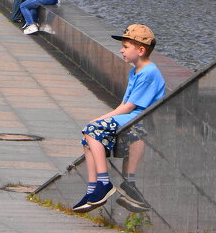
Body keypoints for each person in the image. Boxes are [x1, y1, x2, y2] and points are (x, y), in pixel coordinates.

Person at [71, 24, 166, 213]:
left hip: (140, 120)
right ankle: (93, 189)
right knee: (87, 137)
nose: (121, 50)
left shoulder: (149, 72)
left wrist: (98, 119)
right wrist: (98, 120)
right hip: (132, 118)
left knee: (91, 130)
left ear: (140, 50)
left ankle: (104, 183)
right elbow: (124, 104)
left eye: (125, 46)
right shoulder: (135, 72)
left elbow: (129, 107)